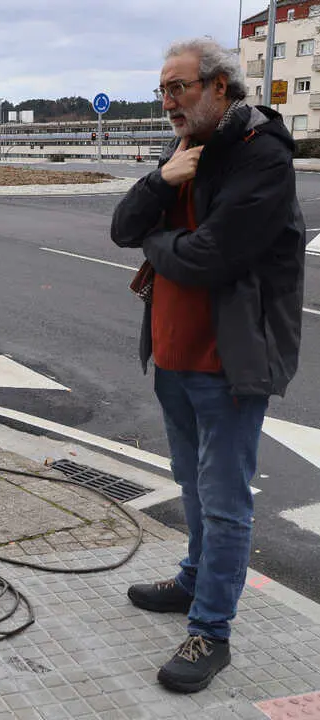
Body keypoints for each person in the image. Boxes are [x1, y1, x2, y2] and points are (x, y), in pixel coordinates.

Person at [111, 38, 305, 694]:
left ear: (220, 87)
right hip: (172, 353)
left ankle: (211, 632)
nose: (168, 101)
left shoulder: (262, 156)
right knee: (190, 483)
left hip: (228, 358)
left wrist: (156, 239)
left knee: (224, 501)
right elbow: (121, 228)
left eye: (179, 88)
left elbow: (211, 257)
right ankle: (193, 579)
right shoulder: (181, 149)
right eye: (163, 89)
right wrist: (158, 183)